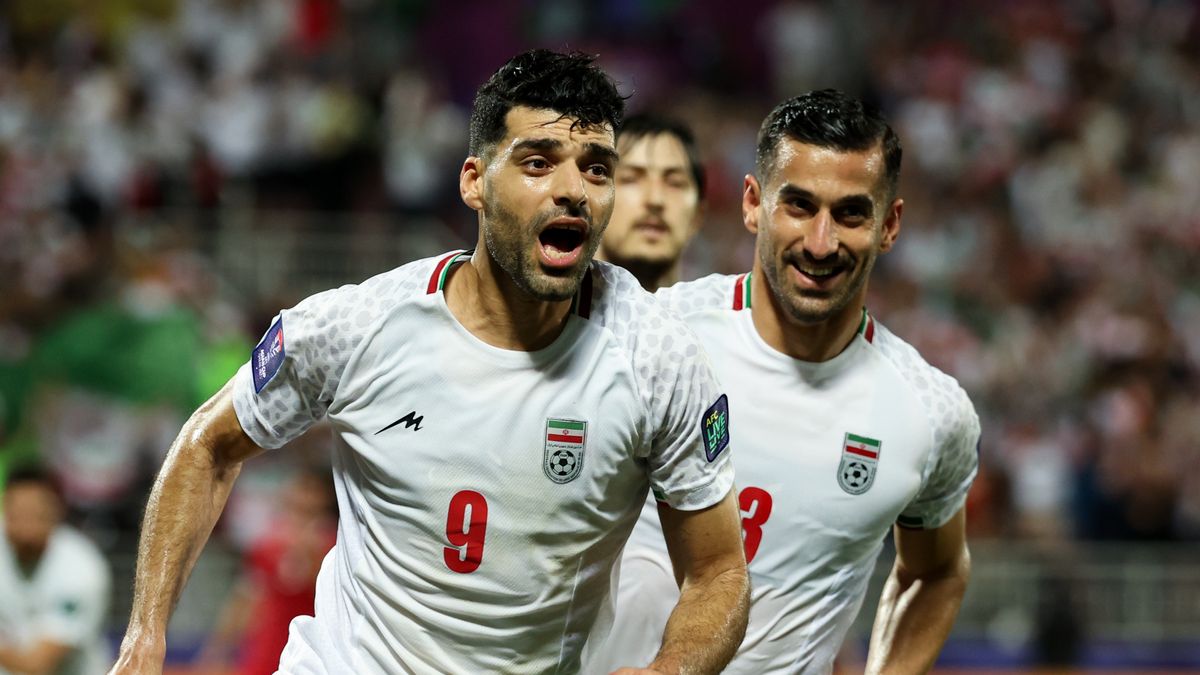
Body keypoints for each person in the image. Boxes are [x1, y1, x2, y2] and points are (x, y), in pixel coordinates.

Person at [109, 49, 749, 675]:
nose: (572, 190)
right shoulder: (356, 327)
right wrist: (144, 639)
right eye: (537, 163)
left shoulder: (656, 358)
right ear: (474, 180)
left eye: (596, 169)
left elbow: (719, 571)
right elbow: (206, 445)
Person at [589, 89, 980, 674]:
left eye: (850, 213)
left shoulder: (931, 412)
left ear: (890, 225)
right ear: (753, 203)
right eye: (798, 206)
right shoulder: (652, 335)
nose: (821, 243)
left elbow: (938, 572)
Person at [199, 470, 337, 675]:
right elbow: (246, 598)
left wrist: (308, 553)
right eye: (296, 506)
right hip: (264, 653)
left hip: (312, 656)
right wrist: (217, 649)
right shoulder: (267, 544)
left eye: (309, 509)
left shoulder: (335, 547)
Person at [0, 467, 112, 675]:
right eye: (18, 513)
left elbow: (37, 665)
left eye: (36, 514)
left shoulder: (81, 568)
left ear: (56, 512)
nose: (26, 524)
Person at [597, 114, 705, 292]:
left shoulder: (719, 319)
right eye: (631, 179)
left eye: (675, 183)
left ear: (698, 215)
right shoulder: (550, 318)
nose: (656, 199)